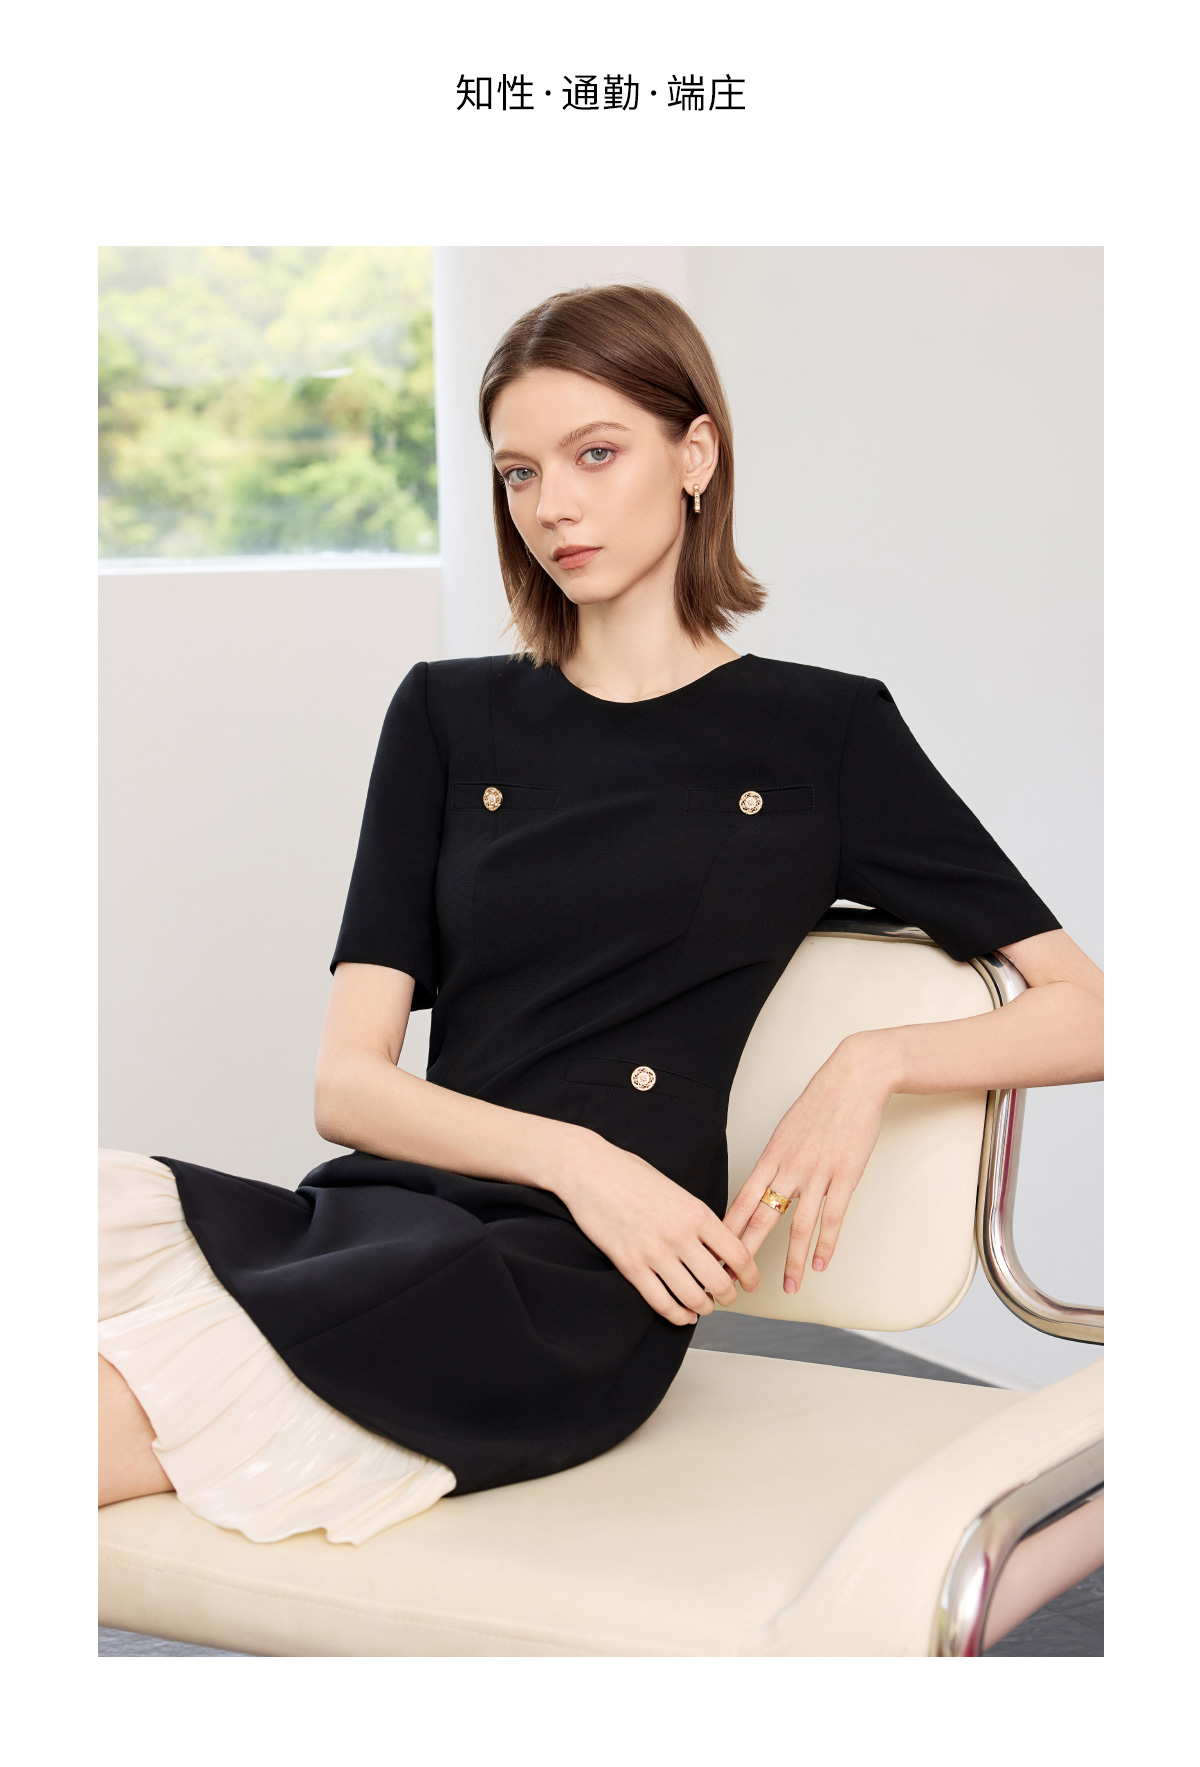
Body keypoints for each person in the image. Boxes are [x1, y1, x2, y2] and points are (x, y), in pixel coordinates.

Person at [99, 283, 1103, 1637]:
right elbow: (348, 1087)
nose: (553, 505)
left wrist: (876, 1060)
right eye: (519, 471)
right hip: (386, 1218)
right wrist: (583, 1159)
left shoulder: (823, 734)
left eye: (595, 453)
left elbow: (1093, 1010)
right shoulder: (447, 715)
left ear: (696, 453)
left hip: (566, 1295)